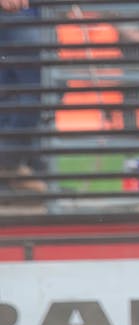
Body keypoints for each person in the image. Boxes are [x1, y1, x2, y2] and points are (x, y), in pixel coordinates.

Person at [0, 0, 47, 193]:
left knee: (19, 93)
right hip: (14, 14)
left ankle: (19, 170)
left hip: (31, 15)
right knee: (38, 87)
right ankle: (9, 164)